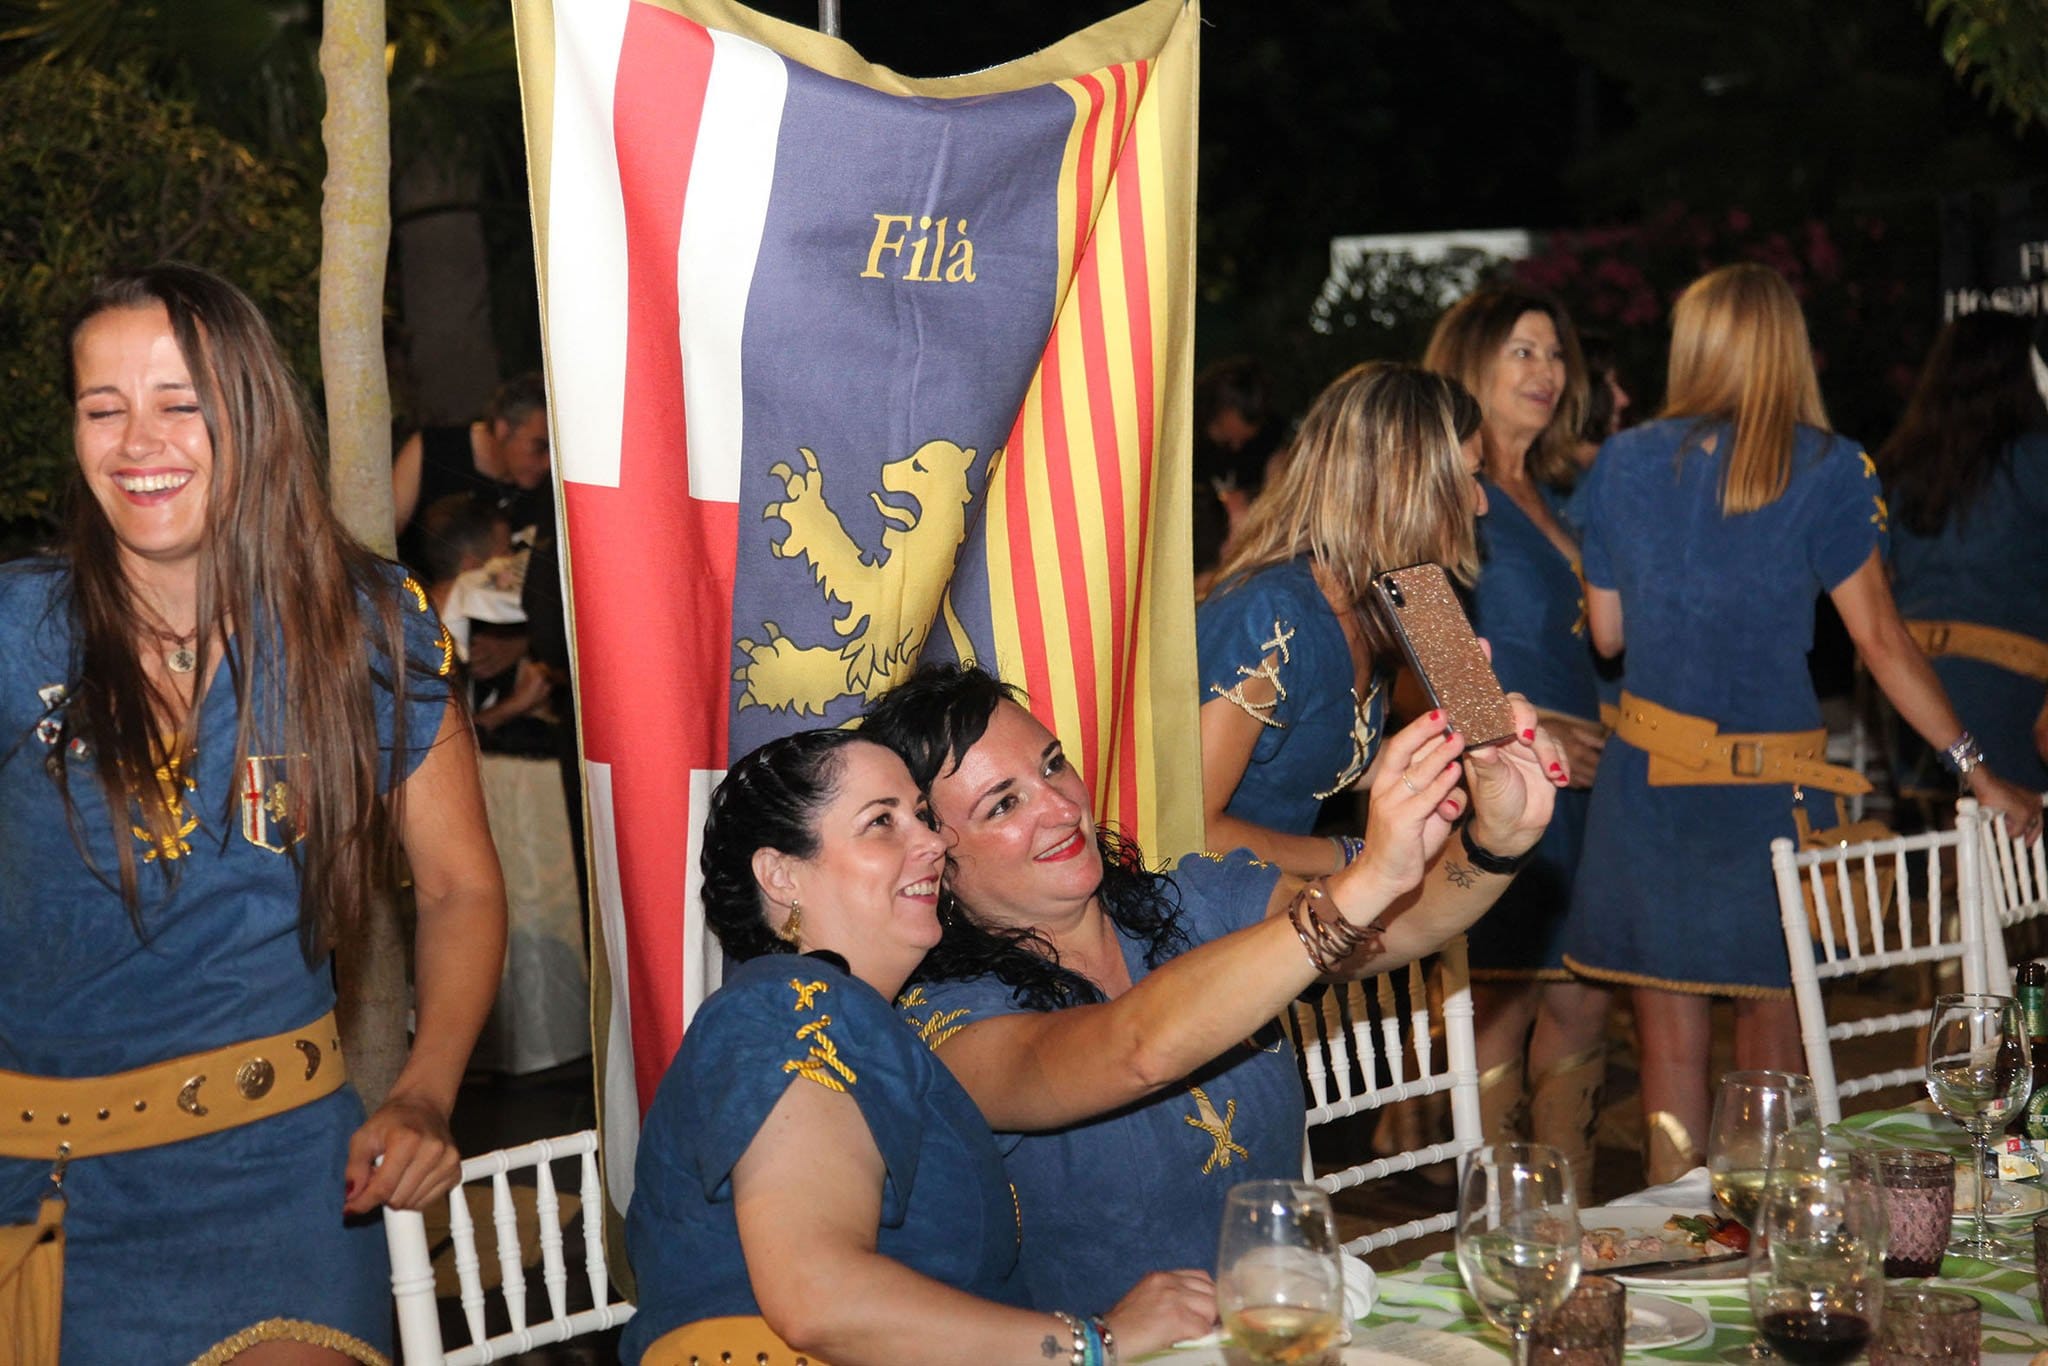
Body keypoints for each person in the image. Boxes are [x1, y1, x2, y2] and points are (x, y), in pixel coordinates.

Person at [0, 263, 506, 1361]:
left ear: (252, 414)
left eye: (180, 403)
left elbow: (460, 886)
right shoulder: (13, 632)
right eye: (103, 408)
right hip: (38, 1192)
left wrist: (424, 1093)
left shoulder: (365, 627)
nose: (139, 442)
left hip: (278, 1182)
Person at [860, 661, 1566, 1314]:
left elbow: (1389, 932)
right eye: (1003, 805)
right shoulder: (943, 1021)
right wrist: (1367, 879)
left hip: (1283, 1325)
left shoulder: (1190, 899)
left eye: (1052, 765)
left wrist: (1496, 842)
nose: (1060, 806)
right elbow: (1136, 1050)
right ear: (936, 859)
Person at [1561, 263, 2041, 1183]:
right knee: (1773, 1053)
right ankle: (1775, 1234)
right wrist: (1978, 770)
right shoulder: (1828, 466)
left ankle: (1679, 1236)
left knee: (1668, 1051)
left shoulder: (1622, 462)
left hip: (1651, 787)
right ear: (1788, 346)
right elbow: (1882, 642)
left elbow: (1610, 636)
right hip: (1772, 799)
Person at [623, 731, 1219, 1365]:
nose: (934, 843)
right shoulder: (788, 1006)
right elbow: (819, 1298)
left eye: (923, 816)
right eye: (881, 822)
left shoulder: (858, 1021)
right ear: (781, 874)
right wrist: (1098, 1343)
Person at [1423, 286, 1611, 1194]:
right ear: (1473, 360)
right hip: (1498, 777)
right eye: (1523, 352)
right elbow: (1423, 621)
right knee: (1498, 999)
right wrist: (1511, 721)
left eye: (1556, 353)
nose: (1547, 372)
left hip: (1586, 787)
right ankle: (1500, 1230)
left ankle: (1567, 1228)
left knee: (1585, 1002)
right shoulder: (1445, 484)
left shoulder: (1558, 494)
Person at [1194, 362, 1514, 875]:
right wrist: (1358, 860)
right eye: (1471, 478)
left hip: (1292, 903)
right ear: (1407, 487)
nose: (1480, 505)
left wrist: (1491, 751)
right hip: (1207, 910)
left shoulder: (1398, 599)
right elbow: (1190, 829)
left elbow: (1327, 757)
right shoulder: (1270, 614)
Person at [1876, 310, 2048, 795]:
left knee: (1943, 833)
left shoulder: (1899, 467)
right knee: (2015, 830)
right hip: (2013, 692)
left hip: (1912, 692)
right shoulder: (2033, 460)